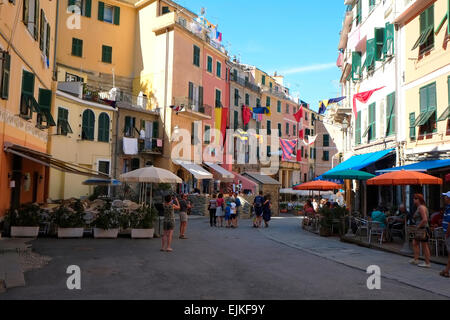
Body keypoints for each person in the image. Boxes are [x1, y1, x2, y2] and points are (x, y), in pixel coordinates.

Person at [409, 194, 432, 268]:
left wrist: (418, 227)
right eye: (414, 198)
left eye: (415, 198)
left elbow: (425, 219)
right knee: (415, 242)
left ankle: (427, 263)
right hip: (420, 228)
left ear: (419, 200)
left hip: (423, 228)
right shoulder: (419, 207)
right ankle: (416, 259)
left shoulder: (421, 207)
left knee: (424, 245)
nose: (414, 200)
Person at [439, 192, 450, 278]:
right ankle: (446, 270)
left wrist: (447, 233)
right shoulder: (447, 208)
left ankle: (446, 270)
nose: (444, 198)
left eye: (446, 197)